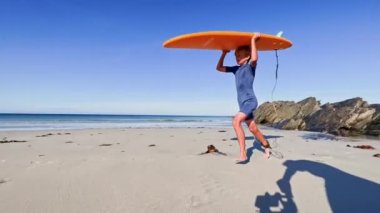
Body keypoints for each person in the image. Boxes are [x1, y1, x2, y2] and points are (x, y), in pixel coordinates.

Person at [216, 33, 271, 162]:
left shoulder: (250, 67)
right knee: (253, 128)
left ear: (247, 56)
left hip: (250, 101)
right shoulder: (236, 69)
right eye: (235, 56)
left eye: (239, 55)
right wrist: (224, 53)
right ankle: (267, 147)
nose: (237, 58)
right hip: (242, 104)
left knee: (236, 122)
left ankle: (243, 154)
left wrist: (253, 40)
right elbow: (218, 68)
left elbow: (255, 58)